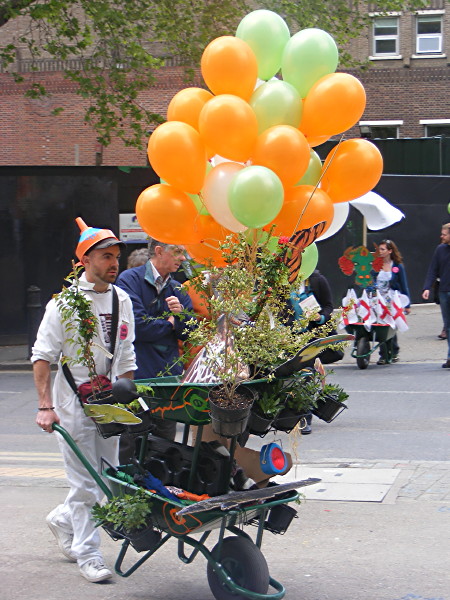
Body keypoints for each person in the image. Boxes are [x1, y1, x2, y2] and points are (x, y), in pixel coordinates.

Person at [31, 218, 136, 583]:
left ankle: (62, 519)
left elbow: (125, 357)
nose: (113, 263)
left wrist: (128, 403)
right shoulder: (63, 304)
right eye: (106, 257)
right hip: (72, 407)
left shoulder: (122, 299)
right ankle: (88, 554)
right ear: (85, 260)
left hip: (109, 404)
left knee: (108, 480)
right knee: (85, 483)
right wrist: (46, 406)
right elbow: (42, 356)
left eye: (116, 257)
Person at [116, 238, 194, 440]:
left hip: (168, 380)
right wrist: (170, 324)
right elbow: (138, 327)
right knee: (135, 442)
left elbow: (190, 333)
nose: (183, 258)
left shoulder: (178, 288)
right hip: (138, 376)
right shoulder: (128, 280)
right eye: (177, 251)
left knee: (166, 444)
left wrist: (181, 315)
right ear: (159, 251)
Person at [289, 269, 341, 434]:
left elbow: (328, 305)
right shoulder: (282, 280)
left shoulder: (317, 280)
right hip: (288, 337)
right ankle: (287, 414)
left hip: (311, 336)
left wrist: (321, 318)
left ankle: (305, 417)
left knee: (307, 374)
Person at [374, 239, 411, 365]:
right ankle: (383, 354)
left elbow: (403, 284)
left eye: (383, 249)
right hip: (379, 300)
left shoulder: (397, 266)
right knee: (380, 326)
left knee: (391, 326)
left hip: (391, 301)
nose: (380, 252)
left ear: (390, 251)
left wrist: (407, 305)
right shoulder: (375, 265)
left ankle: (393, 351)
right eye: (379, 249)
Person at [422, 223, 450, 367]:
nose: (441, 236)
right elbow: (433, 269)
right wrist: (427, 287)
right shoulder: (440, 250)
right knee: (448, 325)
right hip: (444, 291)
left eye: (444, 234)